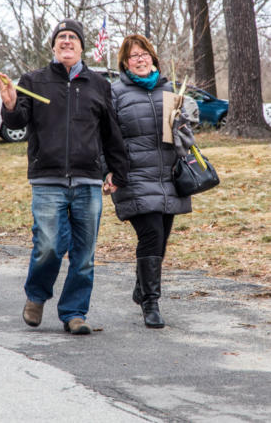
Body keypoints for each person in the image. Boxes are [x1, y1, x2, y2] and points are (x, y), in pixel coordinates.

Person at [0, 19, 128, 335]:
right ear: (54, 46)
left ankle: (74, 313)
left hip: (87, 180)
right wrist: (11, 103)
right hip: (47, 179)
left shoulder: (99, 84)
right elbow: (19, 119)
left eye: (72, 37)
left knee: (84, 254)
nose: (67, 41)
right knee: (49, 246)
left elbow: (111, 133)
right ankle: (37, 295)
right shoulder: (34, 80)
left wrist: (117, 171)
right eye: (61, 37)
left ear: (82, 46)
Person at [104, 34, 193, 329]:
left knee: (161, 238)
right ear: (125, 63)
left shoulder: (169, 89)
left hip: (168, 175)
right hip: (132, 175)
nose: (140, 59)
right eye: (133, 56)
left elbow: (183, 137)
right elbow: (105, 135)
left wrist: (184, 124)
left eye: (144, 54)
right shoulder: (115, 92)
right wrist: (108, 171)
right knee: (151, 233)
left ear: (153, 58)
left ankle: (142, 287)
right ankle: (151, 303)